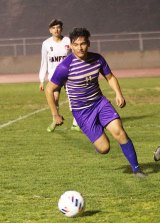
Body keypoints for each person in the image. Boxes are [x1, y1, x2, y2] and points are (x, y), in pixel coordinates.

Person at [45, 27, 146, 177]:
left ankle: (136, 170)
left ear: (89, 44)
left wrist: (118, 94)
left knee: (119, 131)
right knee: (104, 148)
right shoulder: (65, 67)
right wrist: (55, 115)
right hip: (82, 112)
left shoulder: (97, 59)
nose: (80, 48)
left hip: (100, 103)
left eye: (83, 44)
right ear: (71, 46)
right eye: (76, 44)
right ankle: (98, 139)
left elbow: (110, 77)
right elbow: (49, 89)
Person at [39, 19, 80, 132]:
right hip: (54, 77)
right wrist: (41, 80)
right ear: (50, 30)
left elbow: (76, 54)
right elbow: (44, 62)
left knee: (73, 98)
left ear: (61, 29)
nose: (56, 30)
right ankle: (55, 120)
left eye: (58, 27)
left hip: (68, 75)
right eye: (53, 28)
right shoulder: (46, 43)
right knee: (55, 99)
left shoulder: (68, 40)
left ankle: (76, 124)